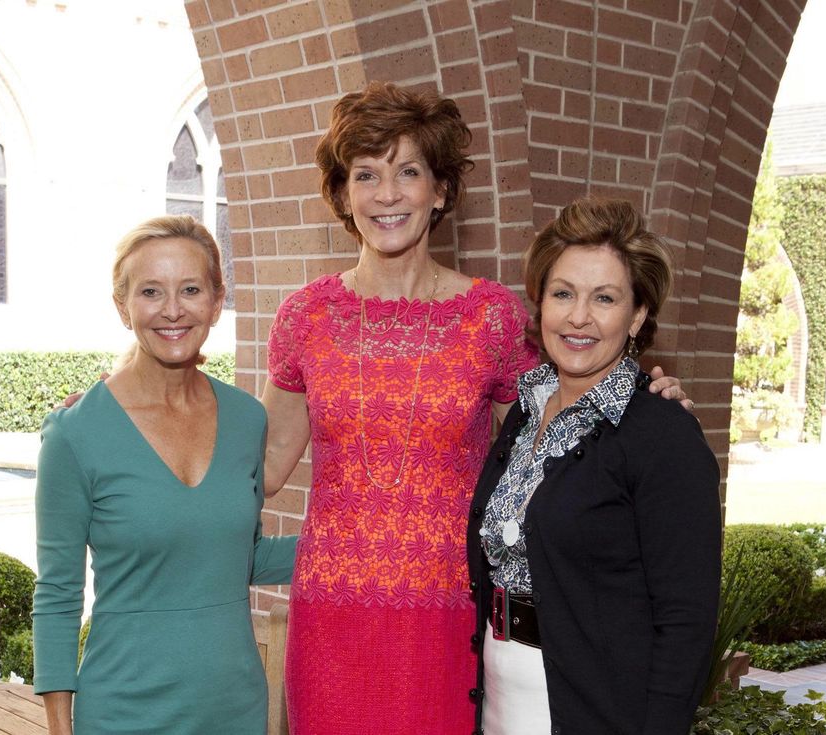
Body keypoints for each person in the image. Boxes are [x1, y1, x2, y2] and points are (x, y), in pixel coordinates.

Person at [264, 82, 691, 733]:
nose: (387, 194)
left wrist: (646, 404)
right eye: (366, 174)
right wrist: (154, 412)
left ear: (440, 190)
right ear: (343, 194)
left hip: (450, 618)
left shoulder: (492, 317)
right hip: (333, 621)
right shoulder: (305, 317)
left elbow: (563, 426)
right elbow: (262, 464)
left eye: (409, 172)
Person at [32, 215, 296, 735]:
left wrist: (361, 543)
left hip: (235, 708)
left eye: (191, 289)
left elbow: (238, 556)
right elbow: (58, 595)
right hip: (122, 712)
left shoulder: (247, 419)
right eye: (151, 291)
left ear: (216, 302)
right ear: (122, 306)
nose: (172, 309)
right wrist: (60, 728)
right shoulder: (75, 432)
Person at [466, 198, 722, 735]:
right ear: (541, 303)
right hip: (499, 696)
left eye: (604, 298)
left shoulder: (662, 434)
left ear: (637, 315)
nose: (578, 317)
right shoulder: (523, 412)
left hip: (597, 711)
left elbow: (686, 621)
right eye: (563, 293)